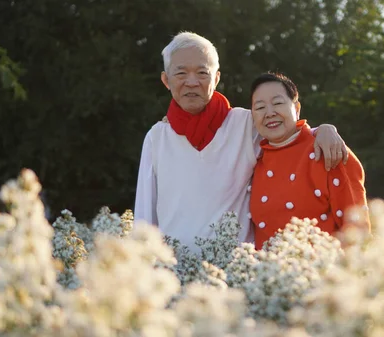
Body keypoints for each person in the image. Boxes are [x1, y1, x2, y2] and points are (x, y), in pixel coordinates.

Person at [134, 32, 348, 253]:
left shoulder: (244, 123)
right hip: (174, 271)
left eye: (202, 72)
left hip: (236, 271)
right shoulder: (157, 137)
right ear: (166, 80)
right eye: (180, 73)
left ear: (216, 79)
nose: (192, 82)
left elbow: (287, 133)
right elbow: (145, 213)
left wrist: (322, 130)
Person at [249, 72, 371, 249]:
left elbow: (356, 229)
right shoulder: (254, 158)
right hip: (268, 273)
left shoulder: (327, 149)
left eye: (278, 103)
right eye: (260, 107)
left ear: (296, 108)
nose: (269, 113)